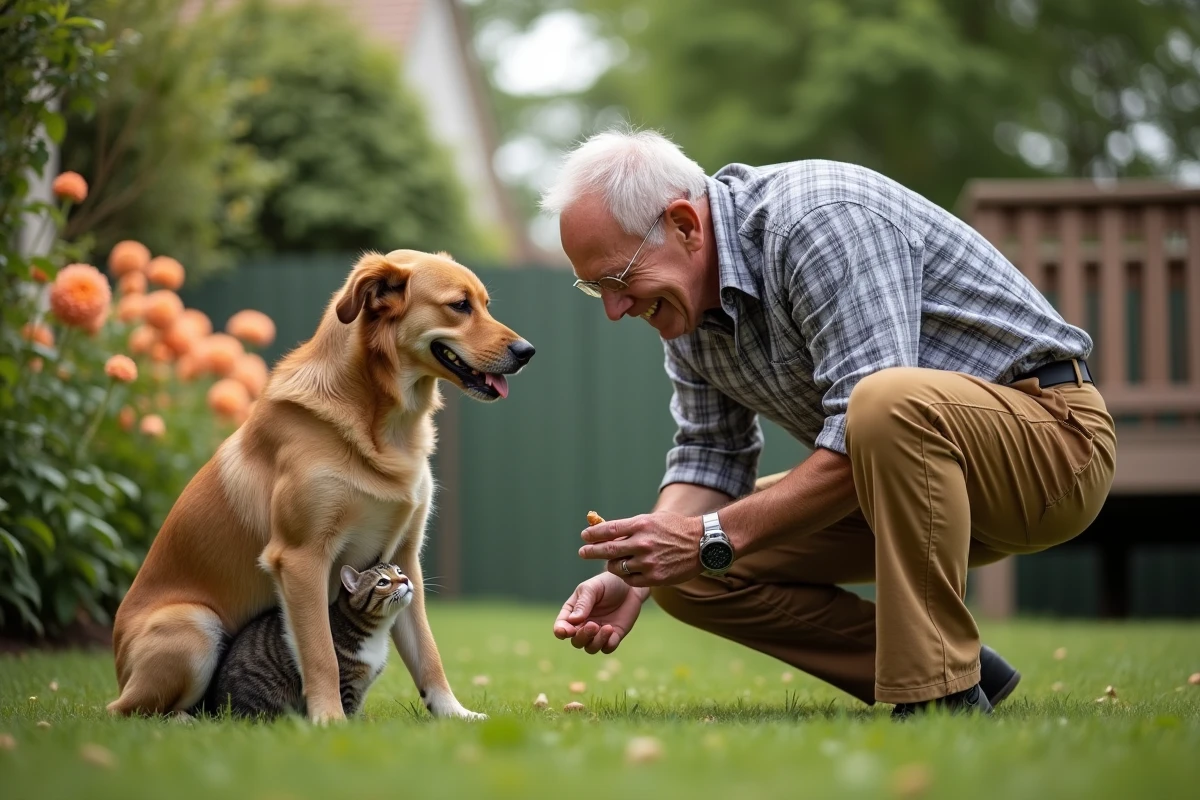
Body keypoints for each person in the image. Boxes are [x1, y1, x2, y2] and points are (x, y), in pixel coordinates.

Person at [541, 128, 1116, 717]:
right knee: (690, 572)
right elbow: (711, 454)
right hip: (910, 487)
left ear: (685, 225)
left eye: (619, 279)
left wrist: (708, 536)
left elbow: (872, 417)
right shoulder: (685, 309)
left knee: (880, 400)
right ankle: (962, 672)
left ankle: (939, 693)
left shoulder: (817, 221)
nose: (614, 309)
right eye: (595, 288)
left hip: (1051, 447)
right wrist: (639, 571)